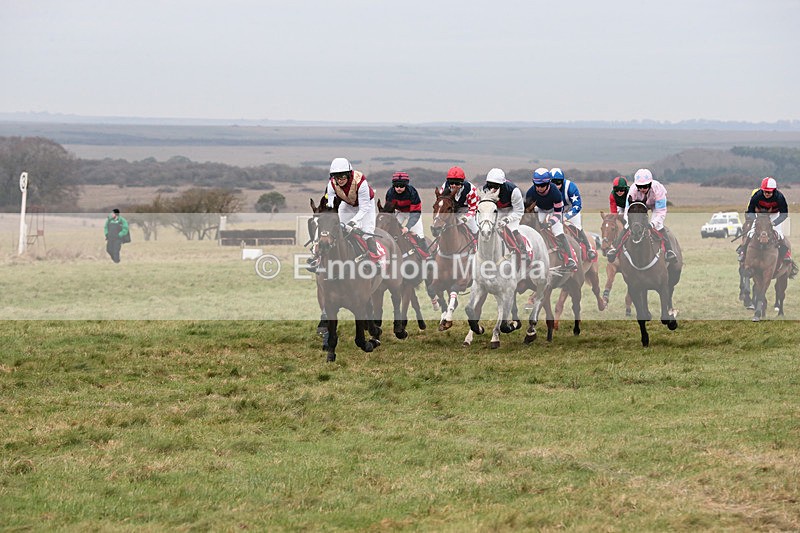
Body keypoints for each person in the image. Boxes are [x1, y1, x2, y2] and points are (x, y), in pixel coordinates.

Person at [607, 168, 677, 264]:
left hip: (655, 205)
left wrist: (652, 224)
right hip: (639, 205)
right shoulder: (633, 191)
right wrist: (630, 222)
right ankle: (615, 249)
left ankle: (669, 251)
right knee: (628, 225)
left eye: (645, 186)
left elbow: (660, 212)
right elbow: (628, 210)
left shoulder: (658, 189)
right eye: (640, 186)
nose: (642, 189)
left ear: (650, 184)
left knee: (658, 225)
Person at [324, 157, 378, 257]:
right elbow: (330, 202)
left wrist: (353, 222)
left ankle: (375, 258)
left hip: (366, 205)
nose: (339, 180)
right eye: (336, 177)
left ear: (349, 174)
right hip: (348, 204)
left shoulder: (360, 182)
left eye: (343, 176)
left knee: (367, 232)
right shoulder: (331, 184)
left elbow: (364, 208)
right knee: (340, 230)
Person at [525, 168, 577, 270]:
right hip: (540, 209)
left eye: (542, 185)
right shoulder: (530, 193)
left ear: (548, 183)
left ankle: (570, 259)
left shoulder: (555, 193)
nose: (539, 188)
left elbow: (558, 212)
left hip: (554, 210)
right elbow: (528, 211)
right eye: (537, 185)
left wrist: (550, 222)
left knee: (558, 231)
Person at [483, 168, 528, 265]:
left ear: (501, 185)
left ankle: (524, 253)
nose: (492, 188)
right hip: (497, 211)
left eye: (495, 186)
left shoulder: (514, 191)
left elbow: (519, 211)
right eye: (490, 185)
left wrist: (507, 220)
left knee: (512, 229)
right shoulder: (485, 189)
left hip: (512, 211)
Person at [550, 167, 597, 260]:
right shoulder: (547, 189)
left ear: (562, 181)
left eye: (558, 182)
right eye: (553, 182)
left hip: (571, 211)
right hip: (556, 211)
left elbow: (577, 206)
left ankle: (589, 249)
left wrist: (567, 216)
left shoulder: (571, 187)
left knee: (577, 227)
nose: (555, 185)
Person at [744, 176, 791, 263]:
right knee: (750, 232)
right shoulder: (757, 196)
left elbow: (784, 214)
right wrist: (755, 220)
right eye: (765, 191)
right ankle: (743, 251)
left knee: (779, 233)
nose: (767, 194)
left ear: (774, 190)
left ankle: (786, 254)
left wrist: (774, 223)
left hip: (774, 214)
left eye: (769, 192)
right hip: (760, 216)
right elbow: (750, 210)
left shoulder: (780, 197)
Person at [385, 171, 429, 253]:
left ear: (406, 185)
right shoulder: (390, 193)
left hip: (412, 213)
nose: (398, 188)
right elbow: (389, 212)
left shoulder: (412, 192)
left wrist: (407, 227)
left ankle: (427, 256)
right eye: (396, 186)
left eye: (401, 186)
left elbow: (415, 213)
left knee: (419, 235)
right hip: (399, 212)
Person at [439, 166, 479, 235]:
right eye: (451, 183)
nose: (454, 186)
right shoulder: (444, 188)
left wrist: (465, 218)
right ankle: (438, 245)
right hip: (451, 211)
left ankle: (476, 244)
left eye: (457, 183)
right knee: (439, 231)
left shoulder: (471, 190)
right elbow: (441, 205)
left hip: (466, 210)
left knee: (475, 230)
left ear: (462, 183)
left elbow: (473, 209)